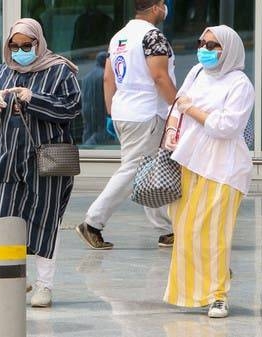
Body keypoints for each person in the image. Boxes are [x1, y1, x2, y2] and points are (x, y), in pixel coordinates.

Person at [0, 18, 81, 308]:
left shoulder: (60, 70)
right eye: (14, 46)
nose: (19, 51)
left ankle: (45, 285)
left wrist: (35, 99)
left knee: (44, 219)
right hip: (9, 157)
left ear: (38, 43)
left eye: (26, 46)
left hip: (47, 159)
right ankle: (13, 276)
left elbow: (72, 107)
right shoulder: (5, 70)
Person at [162, 25, 254, 318]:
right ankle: (212, 277)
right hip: (189, 162)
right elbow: (178, 106)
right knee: (187, 231)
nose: (204, 48)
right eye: (202, 42)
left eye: (213, 45)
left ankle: (218, 295)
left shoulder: (240, 84)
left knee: (212, 233)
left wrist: (192, 110)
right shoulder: (197, 74)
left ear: (228, 50)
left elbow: (226, 127)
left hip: (223, 169)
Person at [75, 0, 177, 250]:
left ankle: (166, 229)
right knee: (133, 170)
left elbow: (109, 77)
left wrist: (112, 110)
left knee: (150, 169)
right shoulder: (153, 37)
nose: (165, 8)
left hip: (125, 111)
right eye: (163, 3)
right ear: (155, 8)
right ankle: (93, 222)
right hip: (146, 113)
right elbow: (159, 76)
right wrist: (178, 106)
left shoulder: (120, 36)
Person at [81, 51, 109, 145]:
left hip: (87, 109)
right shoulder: (104, 75)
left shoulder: (86, 77)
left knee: (89, 131)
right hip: (99, 108)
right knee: (100, 134)